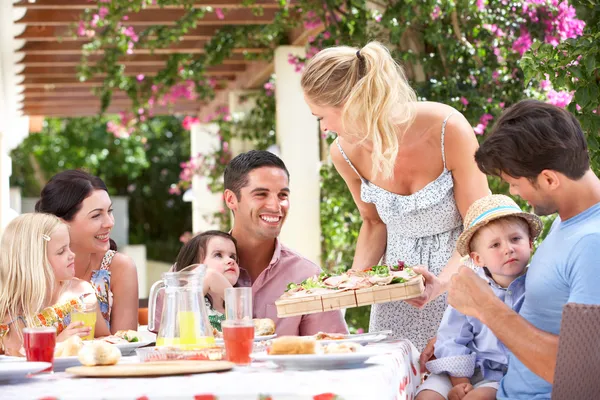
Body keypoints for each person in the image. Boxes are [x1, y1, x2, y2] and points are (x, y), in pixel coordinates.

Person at [300, 41, 489, 349]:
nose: (323, 128)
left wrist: (442, 283)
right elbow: (374, 224)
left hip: (461, 282)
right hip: (397, 293)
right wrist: (352, 284)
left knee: (459, 384)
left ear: (351, 104)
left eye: (320, 116)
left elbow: (481, 221)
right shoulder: (343, 153)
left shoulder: (446, 128)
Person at [446, 100, 600, 399]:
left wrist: (485, 306)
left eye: (514, 183)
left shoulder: (592, 243)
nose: (513, 192)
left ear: (549, 179)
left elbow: (583, 374)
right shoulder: (568, 223)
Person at [416, 195, 541, 400]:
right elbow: (451, 337)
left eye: (515, 239)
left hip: (499, 374)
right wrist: (461, 381)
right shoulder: (470, 287)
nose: (508, 248)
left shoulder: (537, 286)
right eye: (495, 245)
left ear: (530, 244)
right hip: (458, 369)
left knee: (478, 398)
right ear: (477, 258)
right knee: (427, 396)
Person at [224, 150, 348, 336]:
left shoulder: (308, 278)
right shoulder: (195, 271)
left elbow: (333, 350)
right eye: (261, 194)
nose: (275, 206)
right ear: (231, 199)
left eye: (282, 195)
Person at [35, 170, 138, 333]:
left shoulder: (119, 267)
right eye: (96, 215)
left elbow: (125, 344)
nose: (110, 222)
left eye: (109, 211)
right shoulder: (29, 270)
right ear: (61, 223)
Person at [0, 213, 110, 356]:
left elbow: (106, 339)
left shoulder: (82, 294)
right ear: (34, 263)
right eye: (61, 252)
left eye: (69, 247)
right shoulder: (13, 314)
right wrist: (57, 344)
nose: (72, 255)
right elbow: (19, 364)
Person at [152, 230, 240, 332]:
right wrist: (208, 278)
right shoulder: (192, 300)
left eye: (233, 256)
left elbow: (246, 326)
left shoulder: (232, 305)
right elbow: (173, 328)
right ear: (195, 266)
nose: (231, 261)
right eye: (218, 255)